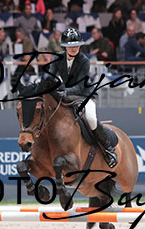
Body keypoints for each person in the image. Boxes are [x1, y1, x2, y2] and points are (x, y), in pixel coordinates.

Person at [44, 28, 118, 168]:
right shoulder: (57, 58)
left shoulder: (84, 61)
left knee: (90, 118)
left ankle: (108, 149)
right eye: (71, 46)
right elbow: (50, 75)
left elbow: (79, 86)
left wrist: (64, 92)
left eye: (77, 45)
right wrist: (47, 84)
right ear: (64, 47)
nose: (74, 48)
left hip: (83, 95)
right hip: (65, 94)